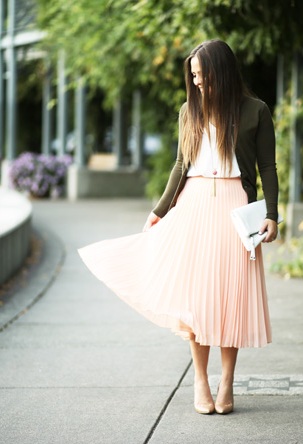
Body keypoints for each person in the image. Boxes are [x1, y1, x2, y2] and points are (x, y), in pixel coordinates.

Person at [78, 39, 279, 415]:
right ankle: (200, 379)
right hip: (193, 207)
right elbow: (179, 165)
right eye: (193, 76)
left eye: (201, 75)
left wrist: (272, 214)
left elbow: (268, 166)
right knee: (196, 299)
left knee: (231, 298)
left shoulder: (256, 111)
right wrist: (160, 209)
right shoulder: (190, 111)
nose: (197, 82)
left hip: (237, 208)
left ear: (219, 71)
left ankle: (227, 382)